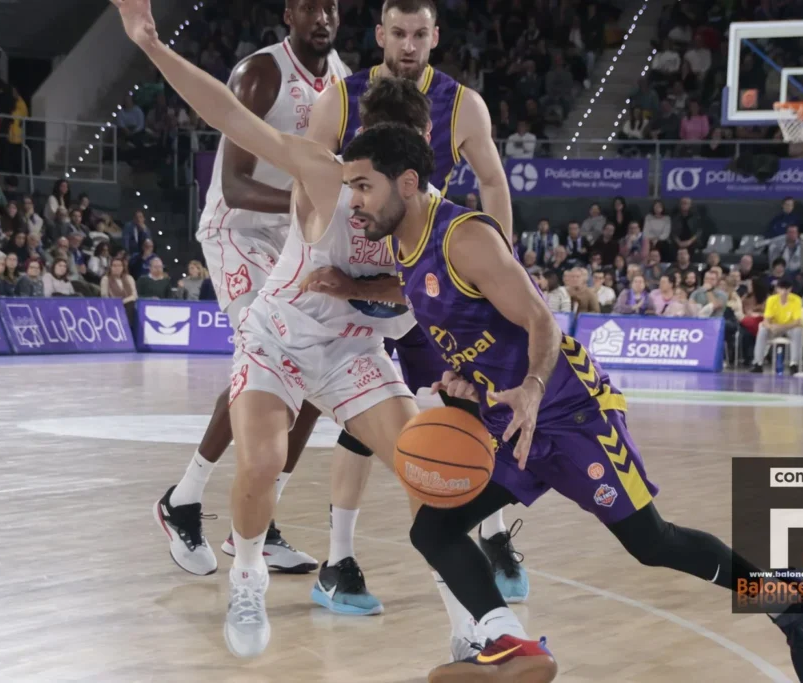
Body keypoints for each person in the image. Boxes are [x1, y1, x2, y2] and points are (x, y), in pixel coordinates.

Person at [114, 3, 538, 668]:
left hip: (352, 354)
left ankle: (470, 623)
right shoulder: (323, 172)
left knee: (430, 474)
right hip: (278, 339)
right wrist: (150, 45)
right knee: (260, 462)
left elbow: (424, 286)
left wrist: (363, 289)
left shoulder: (433, 216)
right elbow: (228, 113)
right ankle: (247, 575)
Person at [339, 122, 803, 683]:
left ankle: (786, 603)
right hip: (511, 420)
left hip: (571, 410)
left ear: (406, 183)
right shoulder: (403, 246)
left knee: (652, 542)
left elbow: (540, 322)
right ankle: (507, 641)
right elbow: (457, 315)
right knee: (433, 529)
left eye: (362, 186)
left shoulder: (463, 237)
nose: (353, 201)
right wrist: (465, 380)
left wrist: (529, 387)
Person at [304, 0, 527, 608]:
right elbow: (303, 177)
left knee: (467, 409)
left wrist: (496, 266)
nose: (408, 45)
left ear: (435, 36)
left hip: (421, 283)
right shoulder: (341, 98)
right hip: (350, 280)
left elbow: (493, 182)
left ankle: (494, 534)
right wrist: (306, 247)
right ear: (379, 34)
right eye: (398, 33)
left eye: (419, 34)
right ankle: (339, 558)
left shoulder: (462, 103)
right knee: (362, 418)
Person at [151, 0, 351, 581]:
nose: (324, 16)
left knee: (319, 368)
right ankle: (182, 499)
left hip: (293, 231)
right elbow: (235, 186)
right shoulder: (262, 73)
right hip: (237, 230)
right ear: (291, 13)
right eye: (312, 6)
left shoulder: (340, 79)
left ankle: (260, 524)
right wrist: (310, 205)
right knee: (265, 363)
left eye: (332, 6)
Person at [751, 279, 803, 374]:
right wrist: (771, 327)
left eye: (787, 289)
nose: (784, 292)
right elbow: (766, 320)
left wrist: (780, 327)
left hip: (789, 328)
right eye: (782, 289)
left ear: (790, 289)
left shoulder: (796, 300)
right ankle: (758, 363)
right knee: (762, 329)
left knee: (798, 330)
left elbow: (797, 322)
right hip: (774, 327)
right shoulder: (771, 300)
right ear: (777, 289)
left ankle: (793, 364)